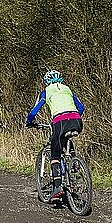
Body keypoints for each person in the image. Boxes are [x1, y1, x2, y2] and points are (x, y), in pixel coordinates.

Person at [25, 70, 85, 202]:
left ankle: (57, 187)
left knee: (55, 154)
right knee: (65, 139)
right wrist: (73, 116)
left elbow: (35, 109)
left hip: (60, 121)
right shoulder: (68, 89)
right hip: (76, 120)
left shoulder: (46, 91)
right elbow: (81, 107)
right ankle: (74, 165)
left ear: (46, 81)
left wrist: (29, 121)